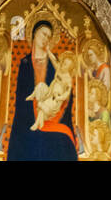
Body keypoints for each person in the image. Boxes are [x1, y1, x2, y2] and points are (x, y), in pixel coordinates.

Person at [6, 21, 77, 161]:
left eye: (49, 37)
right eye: (44, 34)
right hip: (27, 117)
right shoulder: (25, 63)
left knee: (60, 145)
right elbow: (20, 95)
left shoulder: (56, 63)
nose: (46, 39)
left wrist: (56, 104)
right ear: (34, 34)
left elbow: (68, 95)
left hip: (53, 114)